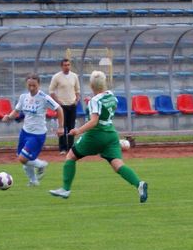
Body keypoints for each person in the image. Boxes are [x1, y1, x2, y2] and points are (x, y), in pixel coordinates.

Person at [49, 70, 147, 203]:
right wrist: (92, 103)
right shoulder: (111, 95)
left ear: (91, 85)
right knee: (117, 164)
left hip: (96, 134)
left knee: (71, 155)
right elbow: (107, 107)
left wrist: (78, 130)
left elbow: (94, 121)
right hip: (111, 134)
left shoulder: (94, 101)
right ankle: (139, 184)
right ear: (104, 83)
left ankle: (65, 189)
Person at [1, 73, 63, 186]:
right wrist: (9, 117)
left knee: (22, 158)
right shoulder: (23, 97)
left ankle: (41, 165)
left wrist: (61, 127)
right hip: (25, 132)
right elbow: (17, 110)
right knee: (24, 159)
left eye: (34, 85)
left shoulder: (44, 98)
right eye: (29, 85)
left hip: (37, 134)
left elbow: (59, 109)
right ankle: (33, 181)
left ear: (38, 84)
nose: (31, 88)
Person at [49, 58, 81, 155]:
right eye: (65, 65)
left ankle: (71, 148)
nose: (67, 67)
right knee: (62, 126)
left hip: (72, 105)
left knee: (71, 127)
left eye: (68, 65)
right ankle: (62, 148)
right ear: (61, 66)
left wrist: (76, 100)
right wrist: (58, 102)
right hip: (62, 106)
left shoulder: (74, 76)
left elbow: (77, 90)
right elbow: (51, 91)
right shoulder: (56, 77)